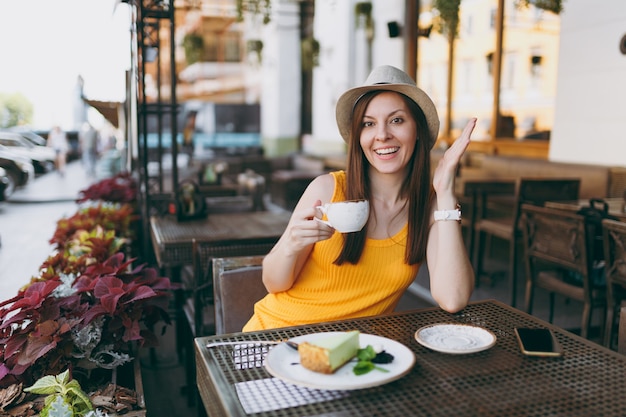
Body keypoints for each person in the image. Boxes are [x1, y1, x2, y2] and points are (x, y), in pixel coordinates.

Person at [243, 65, 476, 332]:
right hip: (276, 339)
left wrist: (445, 190)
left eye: (397, 120)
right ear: (359, 137)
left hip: (354, 356)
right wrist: (291, 246)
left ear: (418, 130)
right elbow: (273, 283)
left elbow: (453, 298)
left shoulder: (432, 208)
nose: (382, 135)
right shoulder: (327, 189)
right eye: (368, 124)